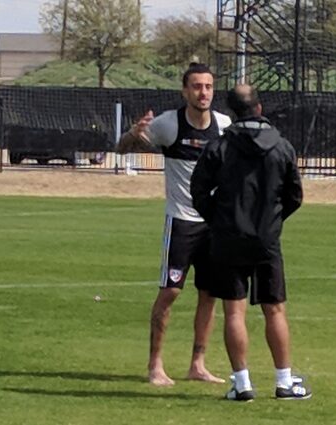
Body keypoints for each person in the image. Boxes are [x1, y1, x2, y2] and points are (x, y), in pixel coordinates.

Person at [190, 84, 309, 401]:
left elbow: (198, 190)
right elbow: (295, 195)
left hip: (228, 237)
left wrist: (218, 219)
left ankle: (242, 384)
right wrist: (273, 221)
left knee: (234, 312)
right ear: (259, 108)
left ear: (232, 112)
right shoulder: (282, 147)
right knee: (275, 310)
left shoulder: (219, 146)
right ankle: (284, 382)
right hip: (266, 240)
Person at [116, 63, 231, 387]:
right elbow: (121, 148)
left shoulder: (224, 125)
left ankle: (198, 363)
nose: (203, 92)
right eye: (196, 86)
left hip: (213, 224)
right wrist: (132, 135)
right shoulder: (169, 124)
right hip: (181, 221)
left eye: (208, 86)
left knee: (209, 294)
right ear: (185, 91)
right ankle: (155, 365)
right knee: (170, 292)